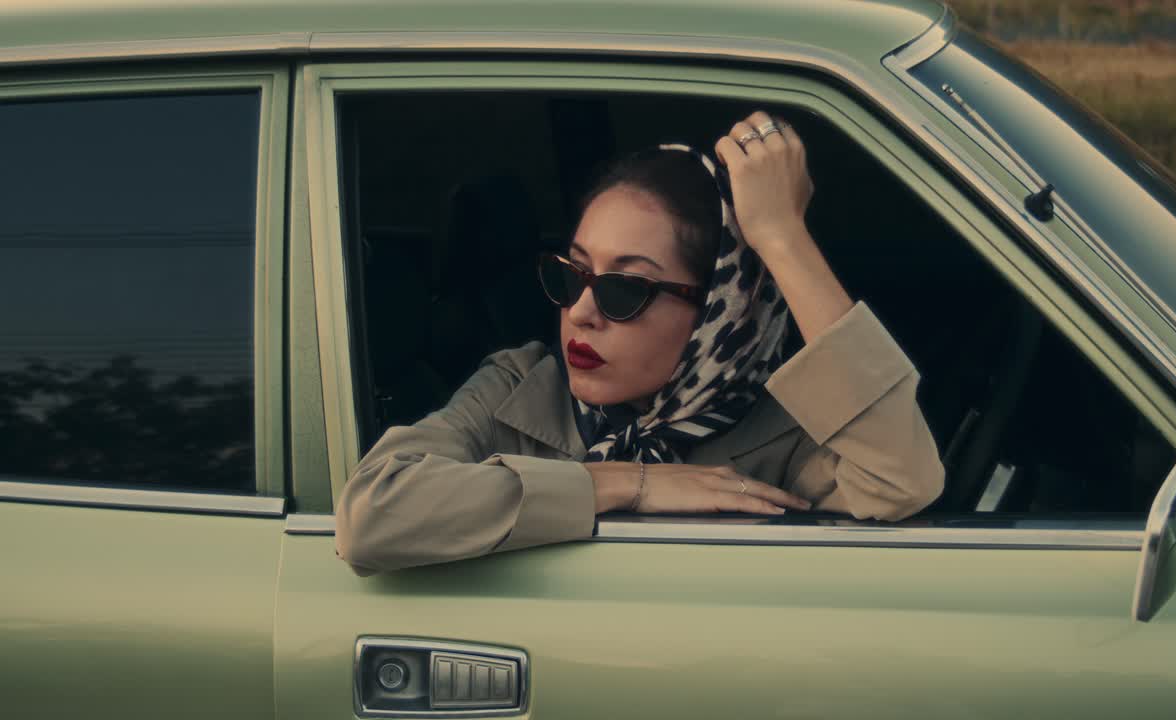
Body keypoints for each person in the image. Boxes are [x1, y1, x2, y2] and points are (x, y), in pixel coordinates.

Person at [336, 111, 944, 574]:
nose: (580, 313)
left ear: (720, 312)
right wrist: (631, 484)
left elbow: (901, 480)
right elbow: (371, 514)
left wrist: (781, 235)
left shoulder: (781, 438)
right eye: (571, 274)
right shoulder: (520, 387)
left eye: (625, 290)